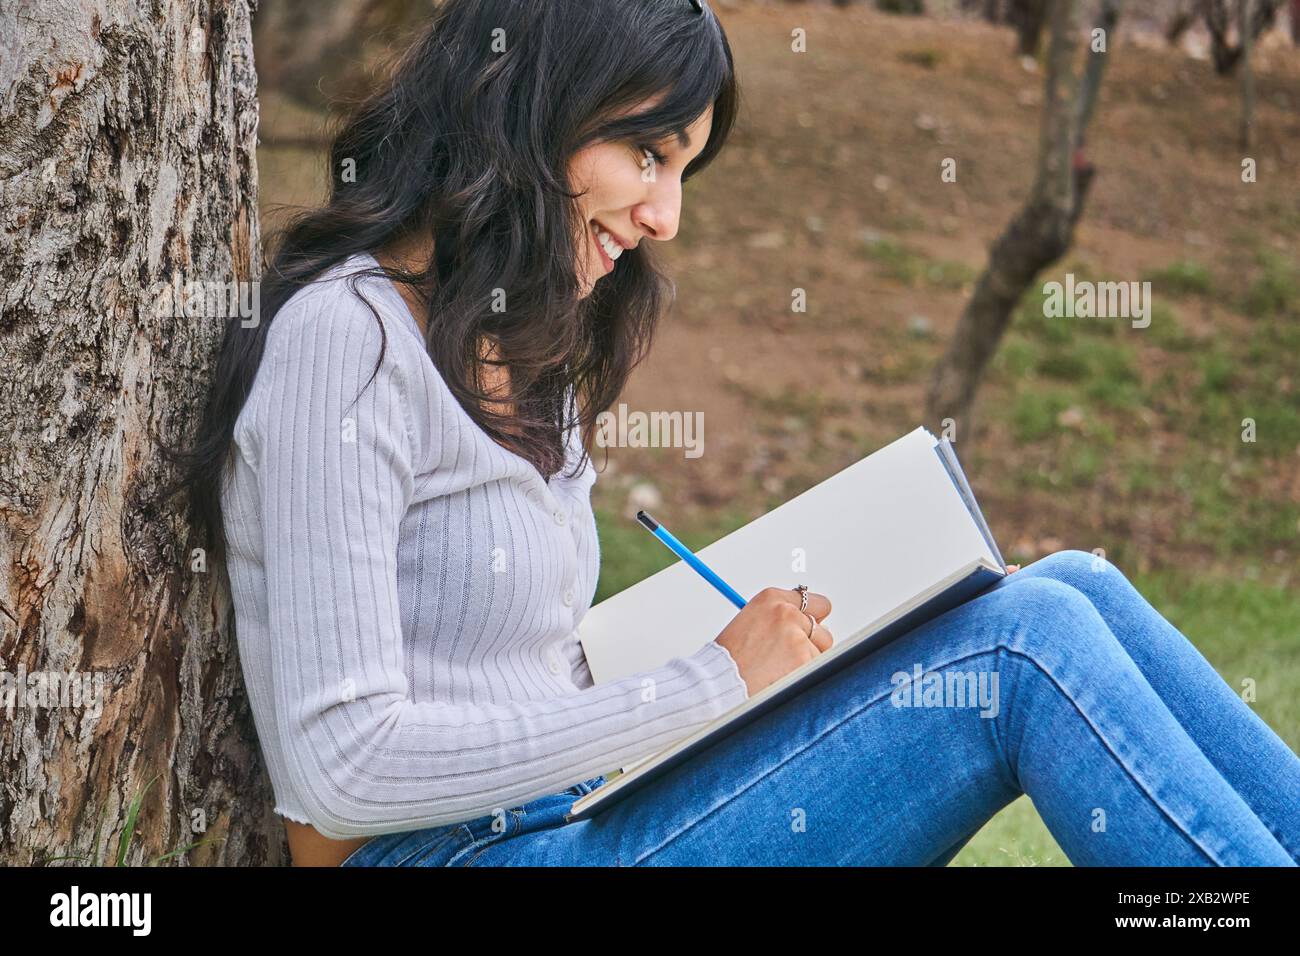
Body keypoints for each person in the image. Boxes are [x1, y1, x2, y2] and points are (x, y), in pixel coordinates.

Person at [180, 0, 1300, 866]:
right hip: (466, 852)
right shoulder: (347, 339)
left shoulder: (515, 342)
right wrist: (710, 680)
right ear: (529, 108)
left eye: (681, 168)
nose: (666, 216)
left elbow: (514, 671)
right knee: (1026, 645)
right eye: (648, 155)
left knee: (1070, 584)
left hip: (577, 812)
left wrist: (770, 652)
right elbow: (340, 767)